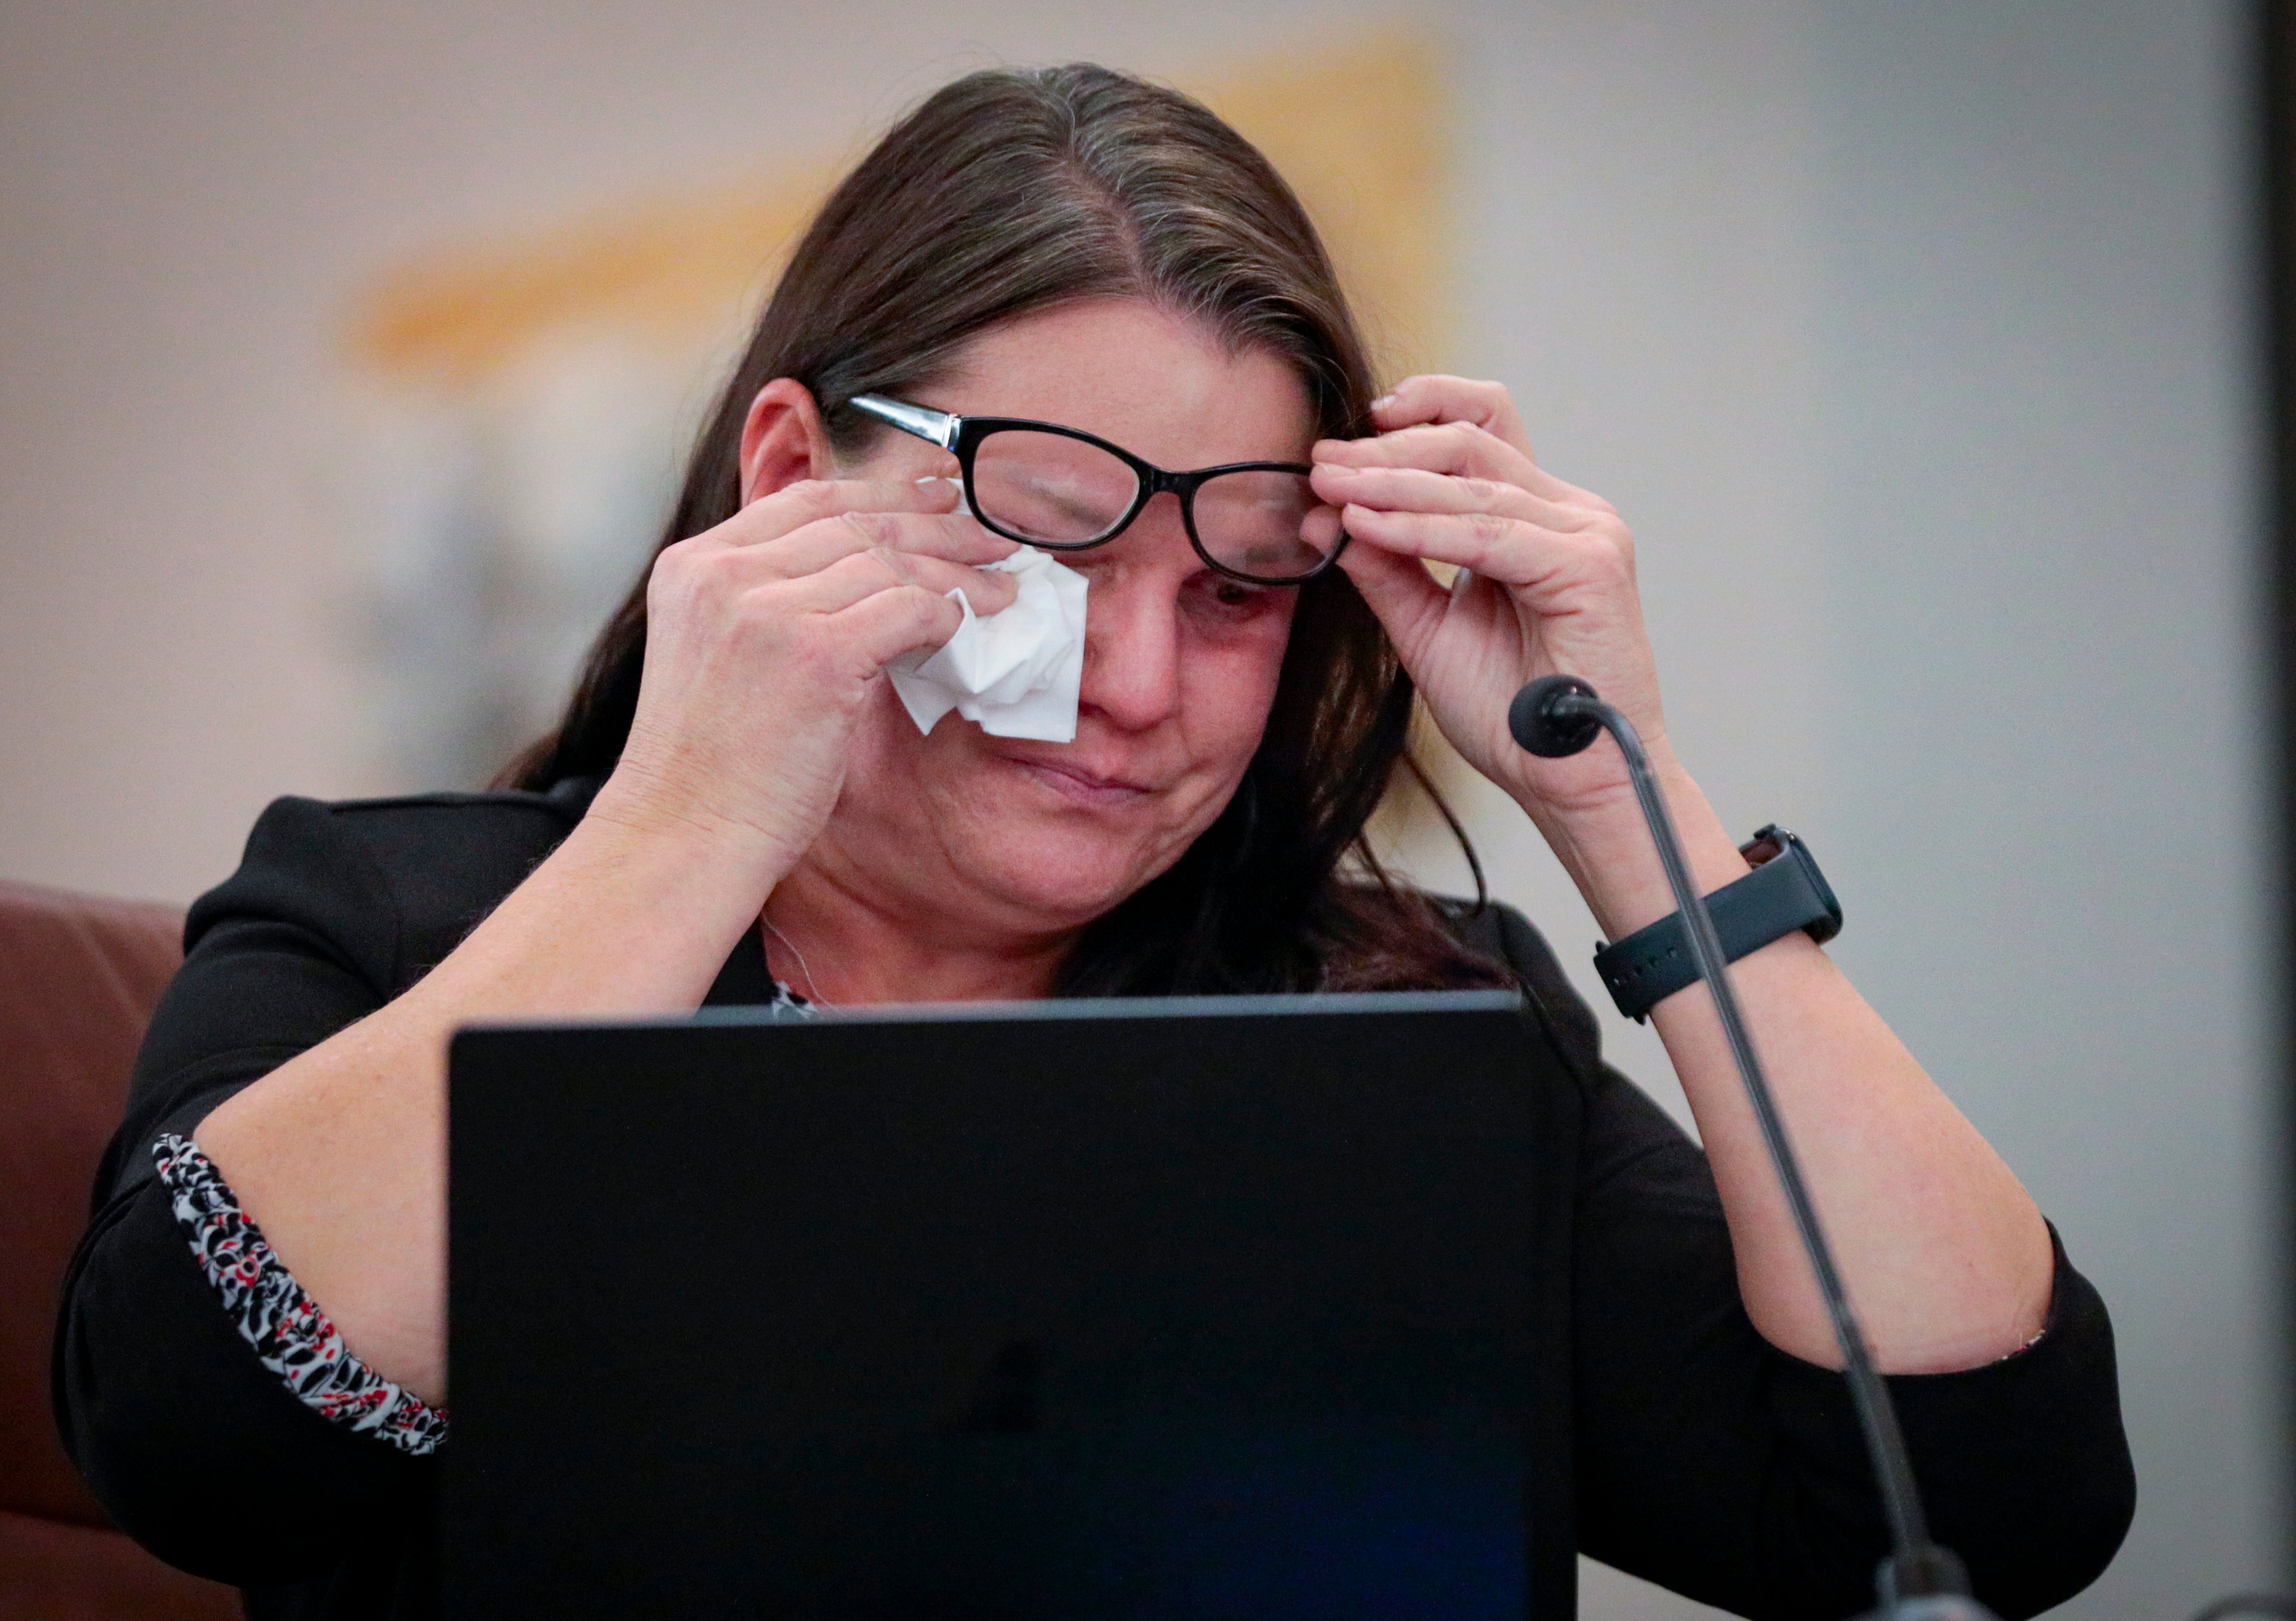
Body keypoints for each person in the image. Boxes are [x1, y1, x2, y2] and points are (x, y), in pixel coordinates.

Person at [55, 63, 2132, 1621]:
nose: (1141, 685)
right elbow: (193, 1439)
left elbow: (1970, 1510)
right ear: (793, 472)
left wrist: (1628, 795)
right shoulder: (397, 914)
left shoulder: (1394, 1023)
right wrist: (694, 811)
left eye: (1237, 595)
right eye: (1054, 551)